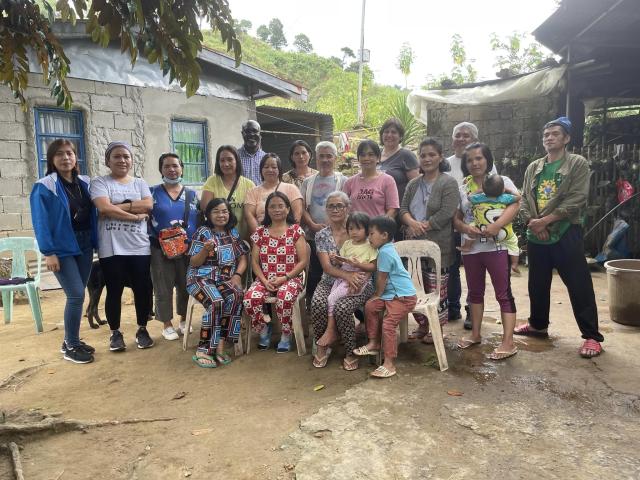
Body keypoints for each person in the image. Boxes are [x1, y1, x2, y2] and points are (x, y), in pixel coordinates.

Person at [516, 116, 604, 358]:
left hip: (566, 233)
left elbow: (577, 198)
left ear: (566, 138)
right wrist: (533, 223)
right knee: (537, 284)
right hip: (537, 235)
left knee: (579, 286)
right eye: (546, 135)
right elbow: (524, 198)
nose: (549, 138)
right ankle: (538, 325)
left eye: (555, 134)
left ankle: (592, 337)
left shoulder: (577, 163)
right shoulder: (534, 167)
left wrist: (545, 221)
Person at [30, 139, 97, 364]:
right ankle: (71, 345)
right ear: (51, 159)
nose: (65, 158)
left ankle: (72, 339)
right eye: (59, 154)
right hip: (62, 247)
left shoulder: (86, 182)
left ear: (75, 157)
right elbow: (41, 222)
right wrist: (49, 252)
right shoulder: (44, 186)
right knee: (76, 294)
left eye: (69, 153)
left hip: (85, 244)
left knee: (79, 294)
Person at [453, 143, 519, 360]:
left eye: (479, 158)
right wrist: (464, 228)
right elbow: (457, 218)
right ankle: (475, 334)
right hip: (471, 249)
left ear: (488, 160)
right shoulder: (463, 188)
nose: (475, 163)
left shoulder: (502, 182)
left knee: (503, 293)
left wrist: (497, 225)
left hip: (497, 247)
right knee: (474, 293)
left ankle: (508, 343)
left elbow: (515, 204)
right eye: (470, 160)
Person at [90, 141, 154, 352]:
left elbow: (148, 205)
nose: (122, 160)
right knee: (114, 290)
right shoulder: (100, 182)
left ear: (131, 160)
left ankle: (142, 329)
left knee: (142, 290)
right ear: (108, 160)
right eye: (117, 156)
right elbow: (102, 208)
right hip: (111, 248)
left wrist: (116, 207)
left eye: (126, 156)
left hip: (139, 247)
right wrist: (134, 217)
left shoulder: (140, 183)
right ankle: (115, 333)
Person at [399, 137, 459, 343]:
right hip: (413, 246)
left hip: (438, 247)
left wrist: (423, 226)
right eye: (423, 155)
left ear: (440, 156)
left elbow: (447, 211)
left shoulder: (448, 182)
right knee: (414, 288)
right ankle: (423, 326)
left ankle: (437, 329)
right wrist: (411, 224)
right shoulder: (413, 183)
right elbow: (403, 209)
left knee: (437, 291)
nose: (427, 159)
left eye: (432, 154)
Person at [310, 191, 374, 371]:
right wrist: (347, 275)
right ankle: (324, 344)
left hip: (360, 282)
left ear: (348, 208)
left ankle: (350, 350)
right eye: (331, 206)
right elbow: (327, 267)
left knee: (343, 307)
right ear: (326, 209)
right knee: (318, 303)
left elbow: (373, 260)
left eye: (339, 205)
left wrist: (358, 279)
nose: (335, 209)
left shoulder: (359, 230)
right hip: (330, 280)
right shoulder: (322, 235)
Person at [444, 122, 497, 327]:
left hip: (477, 226)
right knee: (452, 267)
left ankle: (470, 310)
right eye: (458, 135)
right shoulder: (446, 163)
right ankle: (453, 307)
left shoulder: (484, 164)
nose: (461, 139)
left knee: (474, 270)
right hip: (451, 223)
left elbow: (496, 191)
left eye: (466, 135)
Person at [187, 198, 249, 368]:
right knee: (216, 302)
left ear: (229, 213)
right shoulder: (202, 232)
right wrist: (205, 250)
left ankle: (220, 344)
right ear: (208, 215)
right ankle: (204, 349)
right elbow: (194, 262)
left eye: (224, 211)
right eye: (216, 211)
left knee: (236, 295)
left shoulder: (233, 233)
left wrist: (237, 275)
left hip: (224, 279)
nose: (221, 215)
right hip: (199, 279)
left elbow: (243, 259)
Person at [243, 192, 308, 353]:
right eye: (272, 206)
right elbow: (255, 263)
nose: (277, 209)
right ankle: (264, 329)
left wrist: (285, 277)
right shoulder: (260, 232)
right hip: (265, 279)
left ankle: (286, 334)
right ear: (267, 210)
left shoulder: (295, 231)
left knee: (285, 297)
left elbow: (303, 261)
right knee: (250, 298)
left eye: (281, 206)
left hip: (291, 277)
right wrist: (264, 281)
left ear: (288, 209)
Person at [353, 216, 417, 378]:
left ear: (384, 235)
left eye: (372, 233)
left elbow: (382, 278)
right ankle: (374, 342)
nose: (369, 237)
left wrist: (377, 295)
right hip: (390, 295)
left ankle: (389, 363)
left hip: (403, 297)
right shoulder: (384, 250)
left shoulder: (386, 252)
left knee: (388, 323)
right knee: (370, 306)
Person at [149, 153, 200, 341]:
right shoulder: (151, 193)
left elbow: (200, 219)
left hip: (187, 248)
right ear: (161, 170)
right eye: (167, 166)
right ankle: (166, 324)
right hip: (160, 249)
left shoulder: (192, 195)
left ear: (182, 168)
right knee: (163, 285)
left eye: (175, 166)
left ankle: (184, 320)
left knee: (186, 284)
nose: (171, 169)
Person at [300, 141, 348, 304]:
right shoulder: (308, 182)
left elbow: (348, 207)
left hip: (339, 237)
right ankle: (315, 306)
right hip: (313, 236)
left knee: (340, 270)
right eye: (322, 156)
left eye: (329, 156)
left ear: (335, 158)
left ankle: (338, 305)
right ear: (316, 159)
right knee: (315, 272)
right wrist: (312, 225)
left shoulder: (343, 181)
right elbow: (302, 208)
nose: (325, 160)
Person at [326, 212, 377, 339]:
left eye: (358, 228)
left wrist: (359, 264)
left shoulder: (370, 246)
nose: (354, 232)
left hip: (358, 278)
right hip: (343, 277)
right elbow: (341, 262)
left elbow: (373, 266)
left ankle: (331, 329)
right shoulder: (347, 244)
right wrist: (335, 258)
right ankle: (342, 328)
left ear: (367, 229)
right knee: (334, 300)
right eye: (351, 228)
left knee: (331, 299)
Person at [459, 174, 521, 274]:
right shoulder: (505, 198)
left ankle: (467, 246)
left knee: (470, 226)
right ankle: (514, 264)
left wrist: (479, 190)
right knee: (513, 241)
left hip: (482, 229)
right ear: (502, 190)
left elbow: (469, 197)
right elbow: (518, 198)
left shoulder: (479, 198)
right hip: (502, 232)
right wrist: (509, 190)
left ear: (484, 189)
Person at [201, 145, 255, 240]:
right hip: (218, 241)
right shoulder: (212, 182)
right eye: (222, 160)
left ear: (237, 161)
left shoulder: (249, 185)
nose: (226, 164)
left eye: (230, 159)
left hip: (243, 239)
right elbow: (205, 210)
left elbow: (253, 215)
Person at [244, 153, 303, 235]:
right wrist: (260, 236)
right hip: (262, 238)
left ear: (279, 170)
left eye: (274, 167)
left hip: (288, 237)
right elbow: (249, 215)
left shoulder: (291, 188)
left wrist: (287, 237)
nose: (270, 170)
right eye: (266, 167)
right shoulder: (252, 192)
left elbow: (297, 214)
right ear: (261, 169)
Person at [342, 139, 399, 219]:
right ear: (358, 158)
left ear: (378, 157)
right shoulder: (349, 182)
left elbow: (393, 209)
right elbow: (343, 208)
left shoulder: (387, 180)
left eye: (371, 154)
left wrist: (378, 228)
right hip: (355, 230)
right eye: (362, 155)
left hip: (378, 229)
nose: (366, 158)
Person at [378, 118, 420, 205]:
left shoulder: (407, 155)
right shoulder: (375, 154)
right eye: (386, 132)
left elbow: (416, 187)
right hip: (376, 207)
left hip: (399, 209)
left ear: (400, 136)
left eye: (394, 132)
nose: (389, 135)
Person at [237, 120, 266, 186]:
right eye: (247, 131)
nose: (251, 134)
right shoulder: (235, 156)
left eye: (255, 131)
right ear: (242, 134)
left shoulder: (266, 158)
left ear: (259, 134)